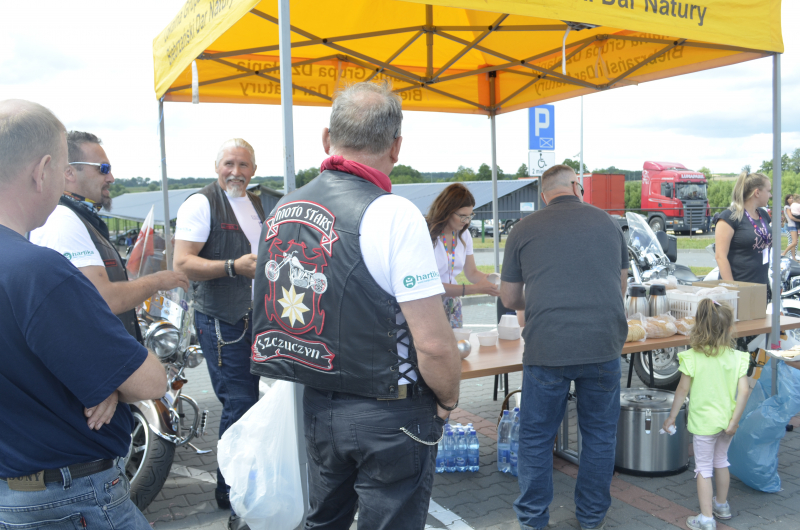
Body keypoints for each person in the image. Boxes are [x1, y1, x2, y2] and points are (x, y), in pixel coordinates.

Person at [250, 81, 461, 530]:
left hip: (317, 401)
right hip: (389, 410)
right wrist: (448, 398)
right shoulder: (394, 213)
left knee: (324, 521)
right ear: (396, 146)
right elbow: (434, 343)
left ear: (327, 138)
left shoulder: (283, 207)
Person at [0, 100, 166, 529]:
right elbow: (150, 382)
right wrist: (111, 380)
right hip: (69, 498)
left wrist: (103, 379)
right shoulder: (37, 269)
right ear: (43, 170)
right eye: (60, 171)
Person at [500, 164, 627, 530]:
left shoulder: (523, 229)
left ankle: (533, 520)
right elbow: (619, 286)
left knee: (536, 438)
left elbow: (510, 297)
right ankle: (591, 517)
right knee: (599, 435)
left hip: (547, 346)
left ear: (544, 195)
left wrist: (544, 297)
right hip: (603, 344)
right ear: (576, 186)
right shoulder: (609, 223)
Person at [173, 138, 265, 527]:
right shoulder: (201, 203)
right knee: (239, 402)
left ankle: (245, 479)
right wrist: (232, 266)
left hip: (257, 317)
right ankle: (228, 488)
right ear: (217, 167)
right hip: (221, 319)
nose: (236, 171)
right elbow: (182, 263)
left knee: (254, 403)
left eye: (244, 165)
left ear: (254, 170)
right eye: (229, 163)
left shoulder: (257, 203)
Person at [30, 131, 188, 342]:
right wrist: (157, 281)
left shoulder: (78, 217)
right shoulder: (63, 220)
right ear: (69, 172)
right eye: (103, 169)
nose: (111, 178)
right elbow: (104, 299)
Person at [662, 298, 751, 530]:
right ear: (729, 329)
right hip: (726, 422)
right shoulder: (737, 357)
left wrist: (671, 417)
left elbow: (682, 390)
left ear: (699, 328)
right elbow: (744, 392)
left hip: (703, 424)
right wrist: (734, 422)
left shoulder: (692, 357)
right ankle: (722, 505)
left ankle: (706, 518)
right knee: (721, 461)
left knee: (703, 468)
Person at [426, 183, 500, 327]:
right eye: (462, 216)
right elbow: (430, 285)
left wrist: (496, 282)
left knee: (457, 340)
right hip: (428, 304)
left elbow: (472, 273)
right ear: (446, 211)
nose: (467, 221)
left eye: (470, 216)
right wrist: (476, 289)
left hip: (452, 303)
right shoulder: (425, 234)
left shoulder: (463, 235)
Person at [714, 172, 772, 284]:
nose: (770, 195)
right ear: (757, 192)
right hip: (740, 286)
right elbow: (720, 256)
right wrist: (732, 288)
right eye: (768, 191)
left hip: (761, 285)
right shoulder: (729, 217)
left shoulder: (763, 215)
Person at [782, 194, 798, 261]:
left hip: (795, 225)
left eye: (792, 198)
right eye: (790, 198)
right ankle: (783, 253)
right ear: (787, 200)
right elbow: (791, 217)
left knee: (794, 243)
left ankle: (793, 258)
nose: (792, 199)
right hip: (792, 225)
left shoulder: (792, 206)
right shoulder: (787, 207)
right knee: (794, 242)